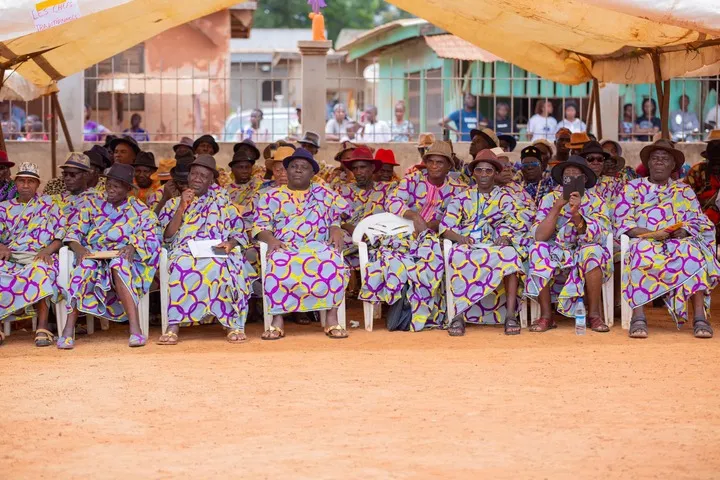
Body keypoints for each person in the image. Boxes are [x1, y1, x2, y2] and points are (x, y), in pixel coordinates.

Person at [616, 139, 720, 338]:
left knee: (695, 254)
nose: (660, 162)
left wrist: (686, 230)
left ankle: (700, 318)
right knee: (638, 253)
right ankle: (639, 317)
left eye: (665, 159)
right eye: (655, 158)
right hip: (644, 239)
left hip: (677, 241)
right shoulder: (632, 187)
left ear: (673, 166)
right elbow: (623, 222)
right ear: (648, 164)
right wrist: (651, 234)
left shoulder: (684, 190)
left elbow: (699, 220)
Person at [360, 141, 466, 331]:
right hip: (403, 234)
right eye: (431, 161)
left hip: (436, 237)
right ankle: (402, 305)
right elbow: (392, 201)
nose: (434, 166)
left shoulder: (458, 188)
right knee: (394, 260)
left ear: (449, 166)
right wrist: (414, 216)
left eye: (440, 163)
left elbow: (458, 214)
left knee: (434, 260)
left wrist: (435, 224)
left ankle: (418, 311)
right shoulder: (413, 179)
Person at [59, 164, 161, 349]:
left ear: (128, 189)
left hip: (122, 257)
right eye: (109, 185)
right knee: (83, 269)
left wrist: (133, 245)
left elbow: (153, 235)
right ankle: (67, 331)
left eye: (117, 186)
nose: (110, 190)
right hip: (93, 255)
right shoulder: (91, 204)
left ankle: (135, 330)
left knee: (118, 265)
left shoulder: (139, 209)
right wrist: (79, 249)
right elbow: (73, 231)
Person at [253, 148, 350, 340]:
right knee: (277, 263)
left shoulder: (323, 193)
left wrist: (335, 227)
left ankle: (331, 318)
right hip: (285, 245)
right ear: (286, 171)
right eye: (293, 166)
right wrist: (271, 240)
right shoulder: (270, 196)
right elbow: (259, 226)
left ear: (313, 174)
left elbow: (338, 215)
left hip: (317, 245)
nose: (298, 170)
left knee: (333, 261)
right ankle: (277, 320)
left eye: (304, 167)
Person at [157, 155, 253, 345]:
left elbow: (239, 233)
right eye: (194, 174)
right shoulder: (173, 203)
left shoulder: (224, 204)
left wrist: (231, 244)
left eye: (203, 176)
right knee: (182, 266)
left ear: (211, 180)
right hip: (185, 249)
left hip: (217, 249)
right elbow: (167, 235)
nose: (197, 179)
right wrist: (182, 207)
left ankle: (232, 324)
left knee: (226, 267)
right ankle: (173, 325)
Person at [440, 150, 525, 336]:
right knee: (458, 254)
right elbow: (446, 228)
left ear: (495, 173)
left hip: (494, 244)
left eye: (489, 171)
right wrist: (460, 238)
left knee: (510, 254)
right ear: (473, 173)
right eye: (480, 170)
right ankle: (459, 315)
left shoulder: (506, 197)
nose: (484, 175)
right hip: (468, 243)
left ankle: (510, 315)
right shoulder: (462, 197)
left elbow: (518, 222)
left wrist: (507, 237)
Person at [526, 156, 611, 333]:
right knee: (537, 249)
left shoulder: (596, 201)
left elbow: (600, 236)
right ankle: (546, 316)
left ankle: (594, 315)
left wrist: (576, 215)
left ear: (585, 179)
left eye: (576, 176)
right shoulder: (550, 199)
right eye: (567, 176)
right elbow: (540, 236)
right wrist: (557, 208)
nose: (571, 180)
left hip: (582, 248)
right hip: (556, 250)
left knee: (592, 251)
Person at [0, 163, 65, 347]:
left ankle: (42, 328)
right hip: (12, 257)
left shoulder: (49, 205)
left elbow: (60, 235)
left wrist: (47, 250)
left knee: (41, 269)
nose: (26, 185)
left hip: (39, 255)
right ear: (15, 183)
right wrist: (1, 246)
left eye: (30, 181)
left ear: (38, 184)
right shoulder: (3, 208)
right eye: (21, 181)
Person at [337, 147, 392, 270]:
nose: (358, 172)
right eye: (355, 168)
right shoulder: (343, 191)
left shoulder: (386, 190)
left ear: (372, 168)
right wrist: (349, 227)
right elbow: (335, 218)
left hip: (379, 236)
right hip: (351, 236)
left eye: (363, 167)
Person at [685, 130, 720, 239]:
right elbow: (685, 196)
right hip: (701, 220)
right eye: (713, 162)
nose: (717, 167)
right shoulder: (697, 171)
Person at [153, 152, 192, 216]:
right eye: (181, 183)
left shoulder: (202, 191)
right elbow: (152, 220)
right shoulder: (161, 192)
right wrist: (165, 198)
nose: (185, 187)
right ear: (174, 182)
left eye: (188, 183)